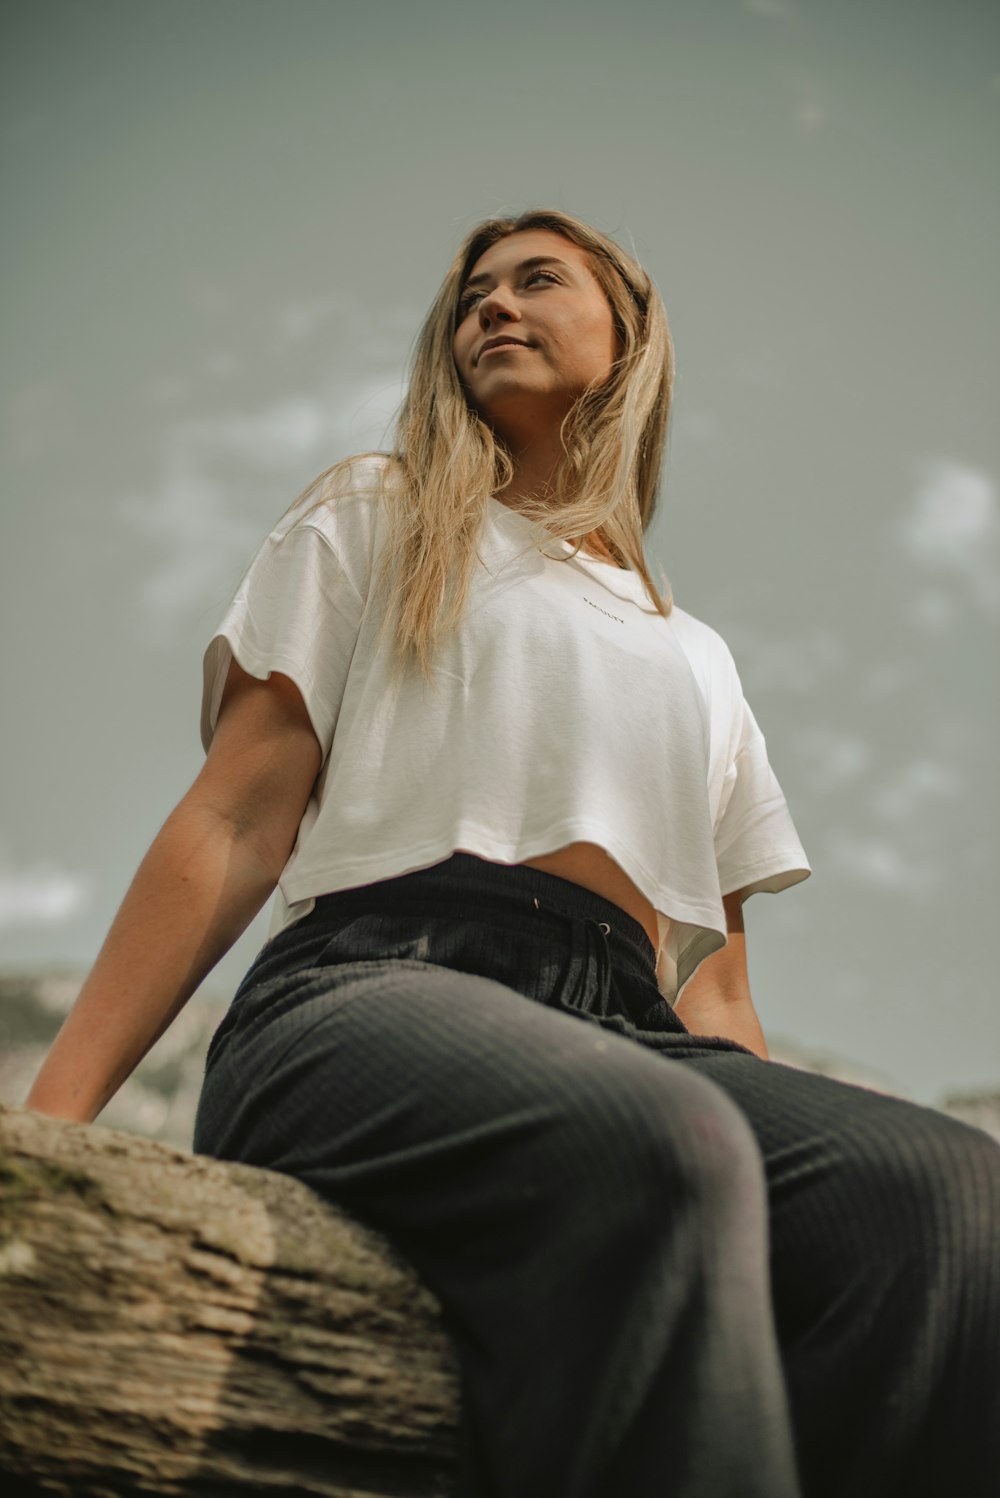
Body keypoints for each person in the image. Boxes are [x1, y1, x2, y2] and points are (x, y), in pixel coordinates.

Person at [26, 208, 999, 1498]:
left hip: (639, 1028)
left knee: (947, 1196)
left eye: (538, 280)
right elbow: (235, 819)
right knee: (667, 1147)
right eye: (471, 294)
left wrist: (782, 1193)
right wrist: (48, 1127)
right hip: (370, 993)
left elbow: (714, 991)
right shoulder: (378, 511)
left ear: (632, 333)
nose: (492, 304)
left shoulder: (692, 652)